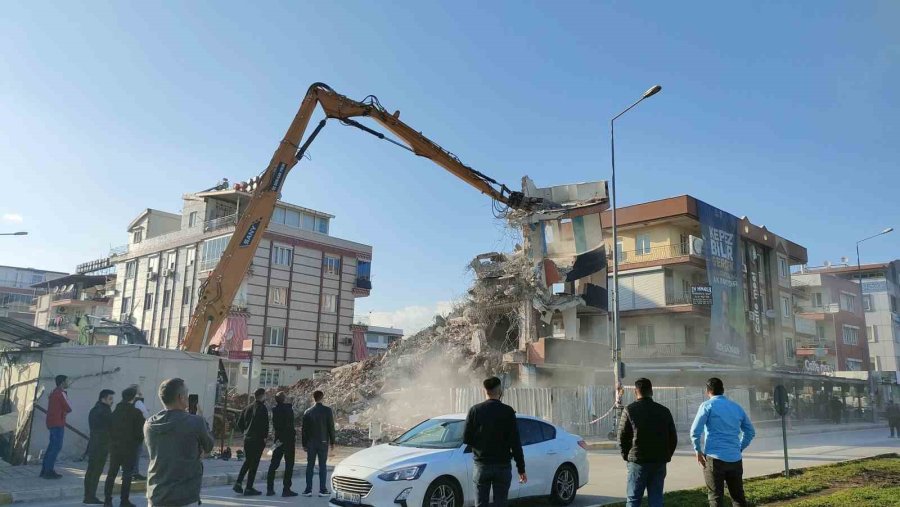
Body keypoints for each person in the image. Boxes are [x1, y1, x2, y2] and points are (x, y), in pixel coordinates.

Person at [145, 378, 214, 507]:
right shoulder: (196, 422)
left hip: (156, 494)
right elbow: (209, 446)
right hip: (185, 496)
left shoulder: (149, 424)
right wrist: (203, 420)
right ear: (181, 397)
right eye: (187, 394)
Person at [691, 378, 756, 507]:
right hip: (735, 459)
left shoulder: (707, 406)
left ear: (707, 391)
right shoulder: (736, 407)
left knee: (716, 498)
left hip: (715, 460)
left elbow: (695, 431)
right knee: (738, 498)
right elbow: (750, 432)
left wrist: (698, 450)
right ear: (723, 390)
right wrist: (739, 447)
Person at [462, 377, 526, 507]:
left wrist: (480, 446)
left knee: (480, 503)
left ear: (484, 391)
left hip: (482, 465)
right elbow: (515, 442)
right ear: (500, 391)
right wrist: (521, 469)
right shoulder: (508, 412)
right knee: (500, 503)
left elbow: (466, 438)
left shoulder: (475, 410)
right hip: (502, 466)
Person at [617, 378, 677, 507]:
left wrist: (627, 456)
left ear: (635, 392)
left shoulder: (629, 410)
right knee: (656, 499)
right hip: (659, 461)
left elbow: (621, 437)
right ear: (651, 391)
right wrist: (666, 455)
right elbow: (673, 438)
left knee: (633, 499)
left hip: (637, 461)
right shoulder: (664, 411)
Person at [104, 386, 145, 507]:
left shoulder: (115, 411)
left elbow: (109, 429)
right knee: (127, 475)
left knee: (111, 474)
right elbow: (140, 433)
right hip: (129, 448)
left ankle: (107, 500)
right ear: (133, 398)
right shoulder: (136, 413)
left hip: (115, 447)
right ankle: (124, 500)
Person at [233, 388, 269, 496]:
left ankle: (238, 482)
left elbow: (239, 423)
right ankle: (249, 487)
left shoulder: (247, 408)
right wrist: (264, 437)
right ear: (262, 396)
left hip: (247, 438)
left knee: (248, 461)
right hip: (257, 440)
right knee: (254, 464)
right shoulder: (262, 408)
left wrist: (245, 431)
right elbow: (264, 425)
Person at [301, 390, 335, 497]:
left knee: (310, 466)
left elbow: (304, 430)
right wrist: (332, 442)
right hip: (323, 442)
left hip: (310, 443)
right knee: (322, 466)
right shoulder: (327, 410)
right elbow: (331, 427)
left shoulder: (307, 412)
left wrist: (304, 444)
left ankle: (308, 490)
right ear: (322, 397)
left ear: (313, 398)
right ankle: (322, 490)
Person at [83, 389, 114, 505]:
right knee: (95, 472)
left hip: (94, 444)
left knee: (91, 471)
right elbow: (111, 427)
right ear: (103, 398)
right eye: (110, 399)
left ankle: (88, 496)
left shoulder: (94, 410)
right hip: (101, 445)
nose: (112, 401)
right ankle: (90, 496)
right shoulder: (105, 411)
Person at [267, 391, 298, 497]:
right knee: (289, 464)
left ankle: (269, 489)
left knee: (274, 464)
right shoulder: (289, 409)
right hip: (288, 440)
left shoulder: (274, 410)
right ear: (284, 399)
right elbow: (291, 423)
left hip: (278, 440)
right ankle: (286, 489)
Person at [41, 374, 71, 479]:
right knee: (56, 447)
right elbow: (68, 407)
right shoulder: (60, 393)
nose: (68, 383)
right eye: (67, 381)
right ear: (62, 382)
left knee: (52, 447)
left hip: (53, 422)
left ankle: (45, 469)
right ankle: (48, 471)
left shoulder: (55, 393)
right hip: (58, 423)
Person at [132, 388, 151, 481]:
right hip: (137, 432)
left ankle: (127, 472)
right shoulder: (138, 403)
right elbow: (146, 415)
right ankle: (135, 473)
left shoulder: (127, 403)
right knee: (136, 453)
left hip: (128, 432)